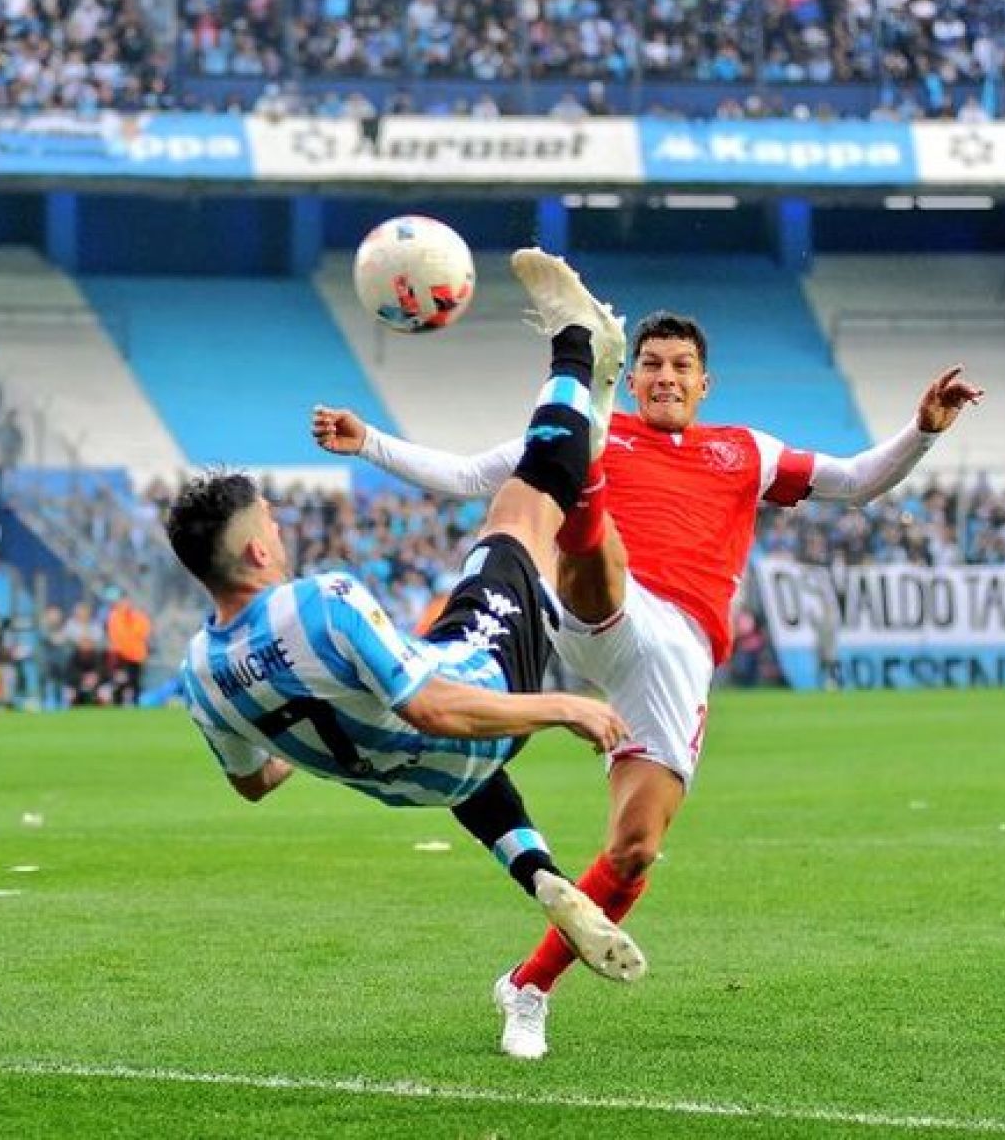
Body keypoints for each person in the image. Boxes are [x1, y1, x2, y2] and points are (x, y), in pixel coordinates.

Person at [314, 254, 983, 1060]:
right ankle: (585, 468)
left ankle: (527, 989)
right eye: (651, 366)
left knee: (633, 851)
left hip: (678, 654)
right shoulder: (598, 436)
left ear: (706, 384)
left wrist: (923, 429)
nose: (665, 377)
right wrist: (369, 443)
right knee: (588, 531)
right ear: (630, 380)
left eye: (681, 368)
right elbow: (464, 475)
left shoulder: (747, 452)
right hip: (592, 603)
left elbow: (857, 481)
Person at [168, 250, 649, 1002]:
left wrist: (324, 729)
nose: (282, 531)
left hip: (419, 783)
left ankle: (542, 875)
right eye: (273, 522)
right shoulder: (321, 600)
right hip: (475, 712)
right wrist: (565, 706)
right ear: (260, 547)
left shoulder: (199, 674)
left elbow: (254, 783)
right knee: (521, 513)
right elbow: (433, 706)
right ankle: (576, 342)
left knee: (418, 718)